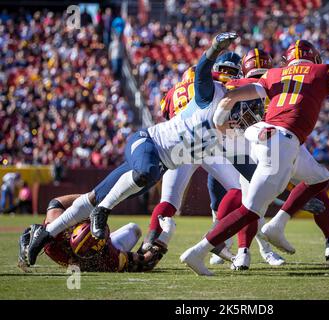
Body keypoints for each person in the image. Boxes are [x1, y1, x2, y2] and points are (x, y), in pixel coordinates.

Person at [180, 40, 329, 276]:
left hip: (265, 138)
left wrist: (219, 121)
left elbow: (229, 97)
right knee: (250, 210)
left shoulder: (275, 74)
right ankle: (199, 251)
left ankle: (278, 224)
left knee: (320, 177)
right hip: (279, 142)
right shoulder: (322, 71)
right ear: (314, 58)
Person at [25, 32, 245, 267]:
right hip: (156, 145)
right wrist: (213, 49)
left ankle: (45, 234)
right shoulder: (212, 92)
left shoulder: (199, 105)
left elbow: (171, 115)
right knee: (146, 179)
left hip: (170, 157)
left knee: (99, 195)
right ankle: (105, 212)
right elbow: (201, 77)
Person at [18, 194, 175, 272]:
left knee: (37, 234)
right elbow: (145, 261)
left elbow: (55, 203)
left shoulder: (55, 238)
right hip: (100, 259)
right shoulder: (108, 257)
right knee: (134, 230)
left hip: (79, 253)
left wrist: (87, 200)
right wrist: (164, 239)